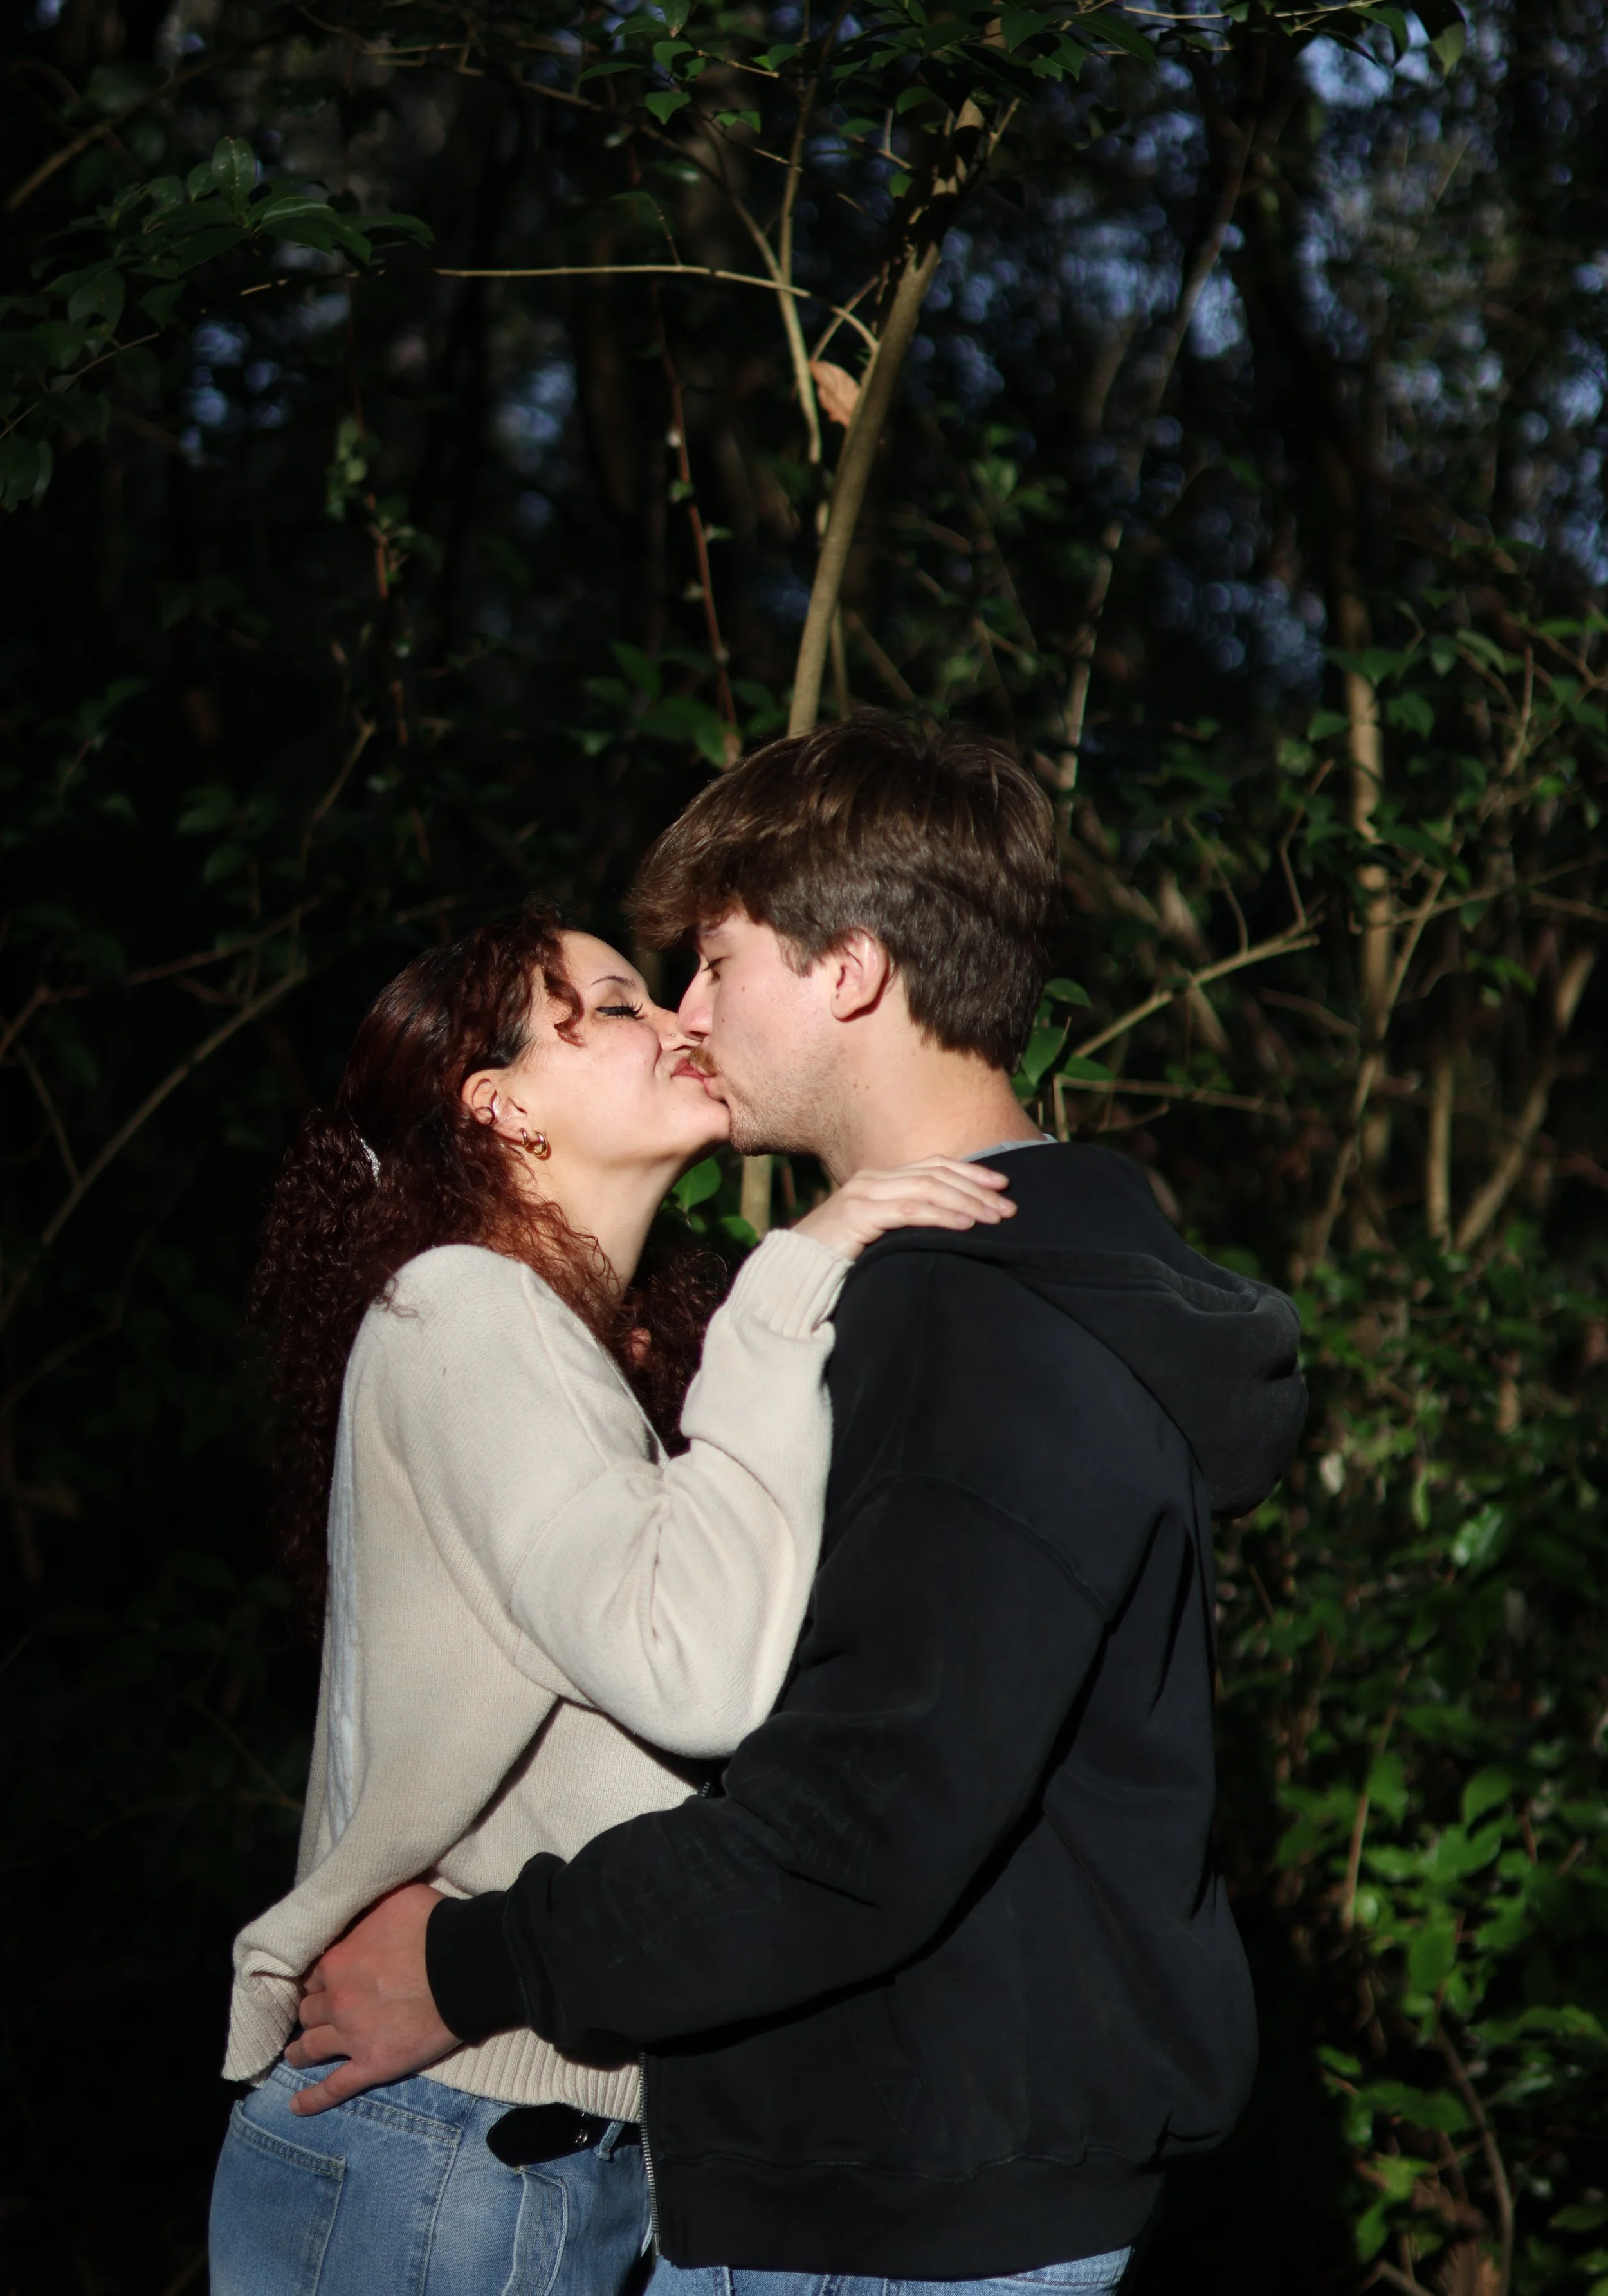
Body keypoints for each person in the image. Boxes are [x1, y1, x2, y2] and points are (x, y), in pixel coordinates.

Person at [284, 720, 1308, 2296]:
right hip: (845, 2178)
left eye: (707, 962)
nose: (689, 1014)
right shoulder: (893, 1303)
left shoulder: (977, 1325)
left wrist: (479, 1963)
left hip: (891, 2209)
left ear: (847, 970)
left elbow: (847, 1826)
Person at [208, 901, 1012, 2296]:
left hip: (525, 2142)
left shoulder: (573, 1350)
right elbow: (693, 1676)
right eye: (621, 1003)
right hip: (441, 2143)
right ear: (500, 1102)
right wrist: (790, 1285)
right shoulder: (461, 1307)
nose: (679, 1022)